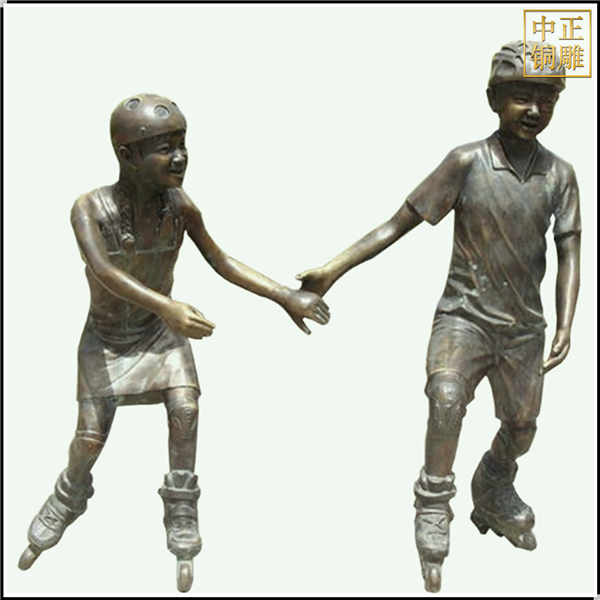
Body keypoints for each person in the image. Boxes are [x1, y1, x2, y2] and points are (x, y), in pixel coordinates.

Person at [297, 41, 580, 593]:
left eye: (546, 100)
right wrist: (333, 269)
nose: (534, 110)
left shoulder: (560, 175)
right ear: (494, 99)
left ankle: (494, 483)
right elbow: (396, 223)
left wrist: (567, 321)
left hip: (523, 327)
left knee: (522, 427)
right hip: (464, 317)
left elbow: (570, 247)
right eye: (521, 97)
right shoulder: (466, 163)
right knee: (446, 398)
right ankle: (433, 503)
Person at [18, 93, 330, 592]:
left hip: (159, 334)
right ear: (127, 155)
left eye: (182, 145)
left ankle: (182, 509)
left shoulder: (180, 206)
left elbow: (221, 260)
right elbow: (103, 270)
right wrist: (167, 305)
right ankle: (69, 494)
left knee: (186, 411)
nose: (180, 158)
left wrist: (284, 295)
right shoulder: (89, 208)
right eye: (165, 148)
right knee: (89, 440)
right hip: (107, 338)